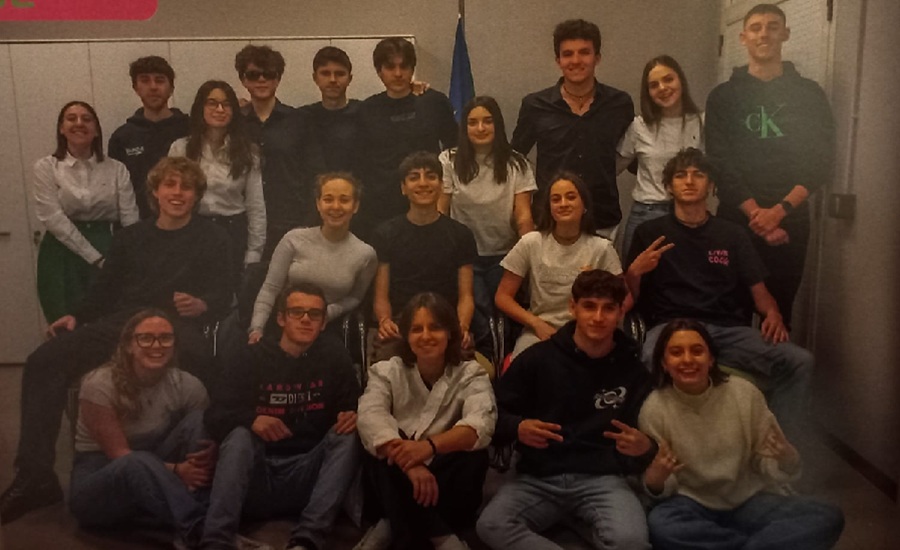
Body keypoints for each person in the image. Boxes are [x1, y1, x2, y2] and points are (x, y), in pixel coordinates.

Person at [0, 156, 232, 525]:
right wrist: (77, 315)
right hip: (124, 323)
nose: (177, 193)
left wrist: (204, 304)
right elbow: (104, 290)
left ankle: (200, 467)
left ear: (197, 195)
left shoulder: (214, 238)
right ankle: (35, 477)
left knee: (206, 366)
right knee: (44, 361)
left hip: (176, 325)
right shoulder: (131, 237)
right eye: (170, 185)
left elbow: (224, 292)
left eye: (186, 187)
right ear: (155, 191)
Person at [625, 148, 813, 444]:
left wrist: (773, 314)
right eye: (681, 175)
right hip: (672, 328)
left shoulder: (733, 234)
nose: (689, 181)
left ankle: (776, 445)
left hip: (726, 330)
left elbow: (759, 291)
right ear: (669, 186)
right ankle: (654, 448)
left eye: (698, 175)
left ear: (711, 186)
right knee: (648, 357)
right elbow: (629, 301)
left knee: (800, 361)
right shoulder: (651, 233)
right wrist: (635, 272)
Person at [477, 269, 656, 550]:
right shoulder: (537, 359)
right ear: (573, 307)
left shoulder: (634, 370)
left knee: (631, 542)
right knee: (491, 526)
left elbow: (651, 439)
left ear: (621, 312)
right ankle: (579, 526)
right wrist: (517, 427)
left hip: (603, 478)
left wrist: (646, 447)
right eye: (589, 306)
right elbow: (491, 416)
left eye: (608, 308)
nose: (598, 317)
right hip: (537, 477)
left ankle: (579, 521)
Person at [638, 319, 844, 550]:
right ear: (664, 363)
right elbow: (664, 487)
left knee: (827, 515)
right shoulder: (654, 408)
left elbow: (765, 461)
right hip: (691, 502)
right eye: (676, 353)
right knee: (662, 525)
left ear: (711, 359)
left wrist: (787, 460)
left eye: (697, 351)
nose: (688, 360)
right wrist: (656, 479)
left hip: (748, 499)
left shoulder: (744, 393)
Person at [202, 283, 361, 550]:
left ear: (323, 322)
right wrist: (252, 419)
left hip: (308, 472)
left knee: (349, 434)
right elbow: (214, 414)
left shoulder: (335, 356)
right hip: (257, 471)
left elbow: (350, 406)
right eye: (297, 312)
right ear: (281, 318)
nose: (306, 319)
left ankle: (307, 540)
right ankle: (215, 541)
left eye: (314, 314)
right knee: (240, 435)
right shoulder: (249, 356)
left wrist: (352, 415)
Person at [705, 3, 835, 327]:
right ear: (743, 37)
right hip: (736, 220)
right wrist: (756, 215)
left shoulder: (810, 95)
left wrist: (779, 212)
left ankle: (776, 363)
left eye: (773, 26)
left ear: (785, 34)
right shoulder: (722, 96)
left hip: (790, 220)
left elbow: (820, 159)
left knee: (779, 313)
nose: (764, 34)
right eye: (756, 27)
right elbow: (720, 161)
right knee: (729, 313)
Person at [356, 292, 496, 550]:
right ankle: (441, 537)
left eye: (435, 327)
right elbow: (370, 415)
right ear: (406, 336)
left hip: (445, 478)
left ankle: (392, 524)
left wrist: (428, 447)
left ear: (450, 333)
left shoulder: (471, 373)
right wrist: (411, 466)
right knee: (381, 444)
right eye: (416, 329)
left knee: (473, 454)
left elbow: (481, 424)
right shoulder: (386, 370)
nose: (426, 336)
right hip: (400, 472)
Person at [68, 309, 215, 547]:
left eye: (165, 338)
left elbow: (206, 434)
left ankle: (194, 512)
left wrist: (209, 452)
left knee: (198, 420)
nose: (156, 345)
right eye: (145, 338)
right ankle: (201, 530)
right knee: (136, 461)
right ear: (128, 345)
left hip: (155, 465)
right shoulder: (99, 384)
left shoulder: (186, 384)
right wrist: (178, 470)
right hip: (101, 479)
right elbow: (120, 455)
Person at [511, 19, 634, 237]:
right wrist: (524, 215)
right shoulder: (534, 105)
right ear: (558, 60)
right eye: (568, 54)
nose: (576, 60)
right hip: (549, 221)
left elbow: (635, 158)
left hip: (602, 220)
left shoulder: (620, 104)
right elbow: (515, 160)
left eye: (584, 52)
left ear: (597, 57)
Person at [438, 96, 536, 357]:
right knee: (480, 318)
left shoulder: (517, 163)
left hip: (505, 256)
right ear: (464, 127)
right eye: (473, 122)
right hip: (464, 258)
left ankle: (510, 363)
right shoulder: (448, 160)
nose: (480, 128)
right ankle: (486, 365)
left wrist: (530, 251)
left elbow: (523, 215)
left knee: (508, 314)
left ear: (497, 125)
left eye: (487, 121)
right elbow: (441, 211)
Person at [495, 172, 623, 360]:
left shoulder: (602, 248)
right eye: (556, 199)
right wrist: (535, 323)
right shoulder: (531, 242)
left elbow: (622, 298)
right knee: (523, 370)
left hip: (588, 332)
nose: (563, 204)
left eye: (571, 197)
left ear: (584, 205)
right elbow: (502, 297)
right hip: (539, 332)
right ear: (549, 208)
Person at [34, 100, 139, 322]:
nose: (79, 123)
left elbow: (130, 218)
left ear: (96, 130)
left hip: (107, 247)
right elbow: (53, 218)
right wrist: (94, 257)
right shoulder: (46, 167)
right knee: (63, 322)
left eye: (87, 119)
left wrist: (132, 258)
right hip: (60, 252)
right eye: (71, 119)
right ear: (61, 129)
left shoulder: (116, 169)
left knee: (107, 318)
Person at [371, 151, 477, 362]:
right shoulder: (385, 234)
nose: (423, 183)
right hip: (401, 326)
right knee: (385, 369)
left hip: (445, 325)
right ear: (403, 188)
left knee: (468, 372)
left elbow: (466, 296)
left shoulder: (461, 234)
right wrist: (384, 321)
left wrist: (462, 326)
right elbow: (381, 295)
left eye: (430, 176)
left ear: (441, 184)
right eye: (414, 177)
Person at [249, 172, 377, 343]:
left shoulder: (366, 254)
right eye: (328, 199)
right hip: (284, 327)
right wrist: (257, 328)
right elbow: (270, 288)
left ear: (355, 206)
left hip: (328, 330)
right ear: (318, 204)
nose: (336, 206)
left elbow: (355, 297)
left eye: (344, 200)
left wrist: (328, 312)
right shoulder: (293, 239)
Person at [356, 37, 458, 242]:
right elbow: (361, 162)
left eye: (404, 66)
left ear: (412, 68)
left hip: (428, 203)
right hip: (381, 209)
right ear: (379, 71)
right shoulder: (366, 110)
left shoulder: (434, 102)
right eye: (390, 67)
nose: (398, 73)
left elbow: (454, 151)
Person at [169, 80, 266, 291]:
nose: (220, 109)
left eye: (226, 104)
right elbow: (170, 199)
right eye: (212, 103)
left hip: (232, 232)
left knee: (227, 295)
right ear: (200, 108)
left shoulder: (247, 152)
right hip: (192, 230)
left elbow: (256, 205)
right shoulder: (181, 149)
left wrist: (254, 251)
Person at [235, 45, 324, 255]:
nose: (261, 80)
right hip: (244, 224)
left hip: (292, 223)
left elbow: (315, 174)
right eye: (253, 75)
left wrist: (309, 223)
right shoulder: (235, 123)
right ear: (243, 79)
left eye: (269, 74)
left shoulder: (300, 121)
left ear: (278, 78)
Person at [616, 55, 704, 257]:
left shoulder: (702, 122)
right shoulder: (639, 126)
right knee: (635, 274)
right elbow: (611, 168)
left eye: (668, 79)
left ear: (681, 80)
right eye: (654, 85)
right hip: (647, 214)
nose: (663, 88)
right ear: (648, 93)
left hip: (691, 214)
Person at [108, 55, 190, 219]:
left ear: (171, 88)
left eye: (160, 80)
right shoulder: (122, 138)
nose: (153, 87)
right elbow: (117, 192)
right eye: (145, 80)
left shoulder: (190, 130)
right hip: (138, 224)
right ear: (136, 88)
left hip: (186, 222)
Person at [299, 46, 365, 178]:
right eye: (325, 73)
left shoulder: (365, 113)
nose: (333, 80)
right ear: (315, 78)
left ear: (350, 78)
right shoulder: (302, 118)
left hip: (358, 189)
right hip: (315, 190)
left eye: (340, 74)